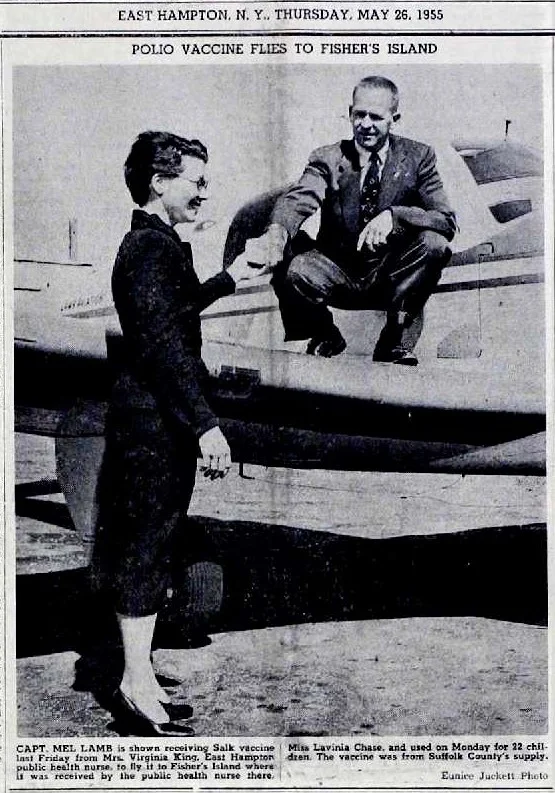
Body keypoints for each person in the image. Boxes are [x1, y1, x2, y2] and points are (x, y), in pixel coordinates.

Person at [94, 131, 258, 736]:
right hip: (153, 425)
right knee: (147, 546)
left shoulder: (157, 244)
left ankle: (138, 676)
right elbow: (164, 347)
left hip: (151, 421)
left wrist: (229, 278)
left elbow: (176, 311)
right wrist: (206, 424)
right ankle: (136, 685)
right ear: (159, 182)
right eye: (196, 181)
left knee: (152, 544)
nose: (203, 193)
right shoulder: (148, 249)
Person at [244, 75, 457, 365]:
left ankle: (394, 342)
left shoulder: (418, 157)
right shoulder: (328, 158)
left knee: (434, 244)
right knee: (293, 263)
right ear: (350, 113)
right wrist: (277, 232)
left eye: (376, 117)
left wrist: (395, 216)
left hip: (388, 276)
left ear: (394, 119)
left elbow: (445, 220)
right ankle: (324, 334)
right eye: (359, 114)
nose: (365, 124)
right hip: (337, 271)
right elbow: (301, 197)